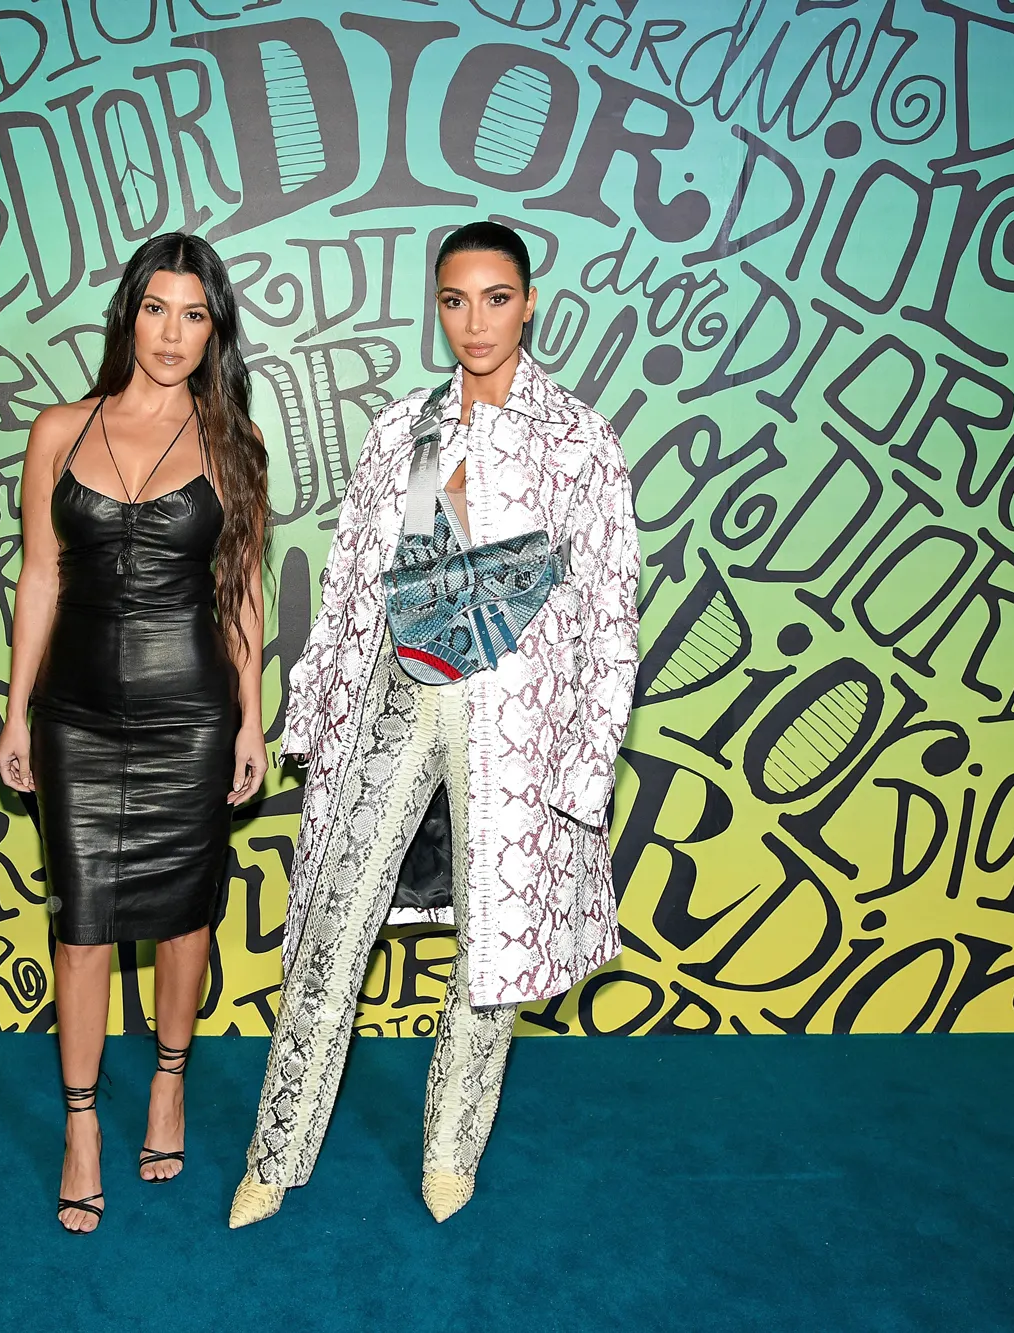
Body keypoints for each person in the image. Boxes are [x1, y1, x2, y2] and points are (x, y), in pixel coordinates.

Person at [229, 220, 641, 1228]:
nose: (474, 322)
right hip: (398, 693)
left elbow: (608, 608)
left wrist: (587, 764)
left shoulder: (577, 437)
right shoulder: (405, 428)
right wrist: (317, 711)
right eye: (454, 300)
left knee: (490, 954)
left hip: (518, 725)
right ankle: (275, 1154)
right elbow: (350, 583)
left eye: (495, 298)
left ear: (529, 302)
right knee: (329, 927)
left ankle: (451, 1153)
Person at [0, 233, 269, 1234]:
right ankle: (80, 1124)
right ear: (128, 316)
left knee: (185, 919)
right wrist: (15, 708)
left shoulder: (233, 443)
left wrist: (249, 717)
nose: (171, 332)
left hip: (189, 715)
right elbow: (39, 575)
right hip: (74, 716)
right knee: (80, 927)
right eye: (157, 308)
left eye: (194, 315)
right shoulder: (58, 429)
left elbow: (240, 591)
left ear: (213, 332)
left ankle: (167, 1083)